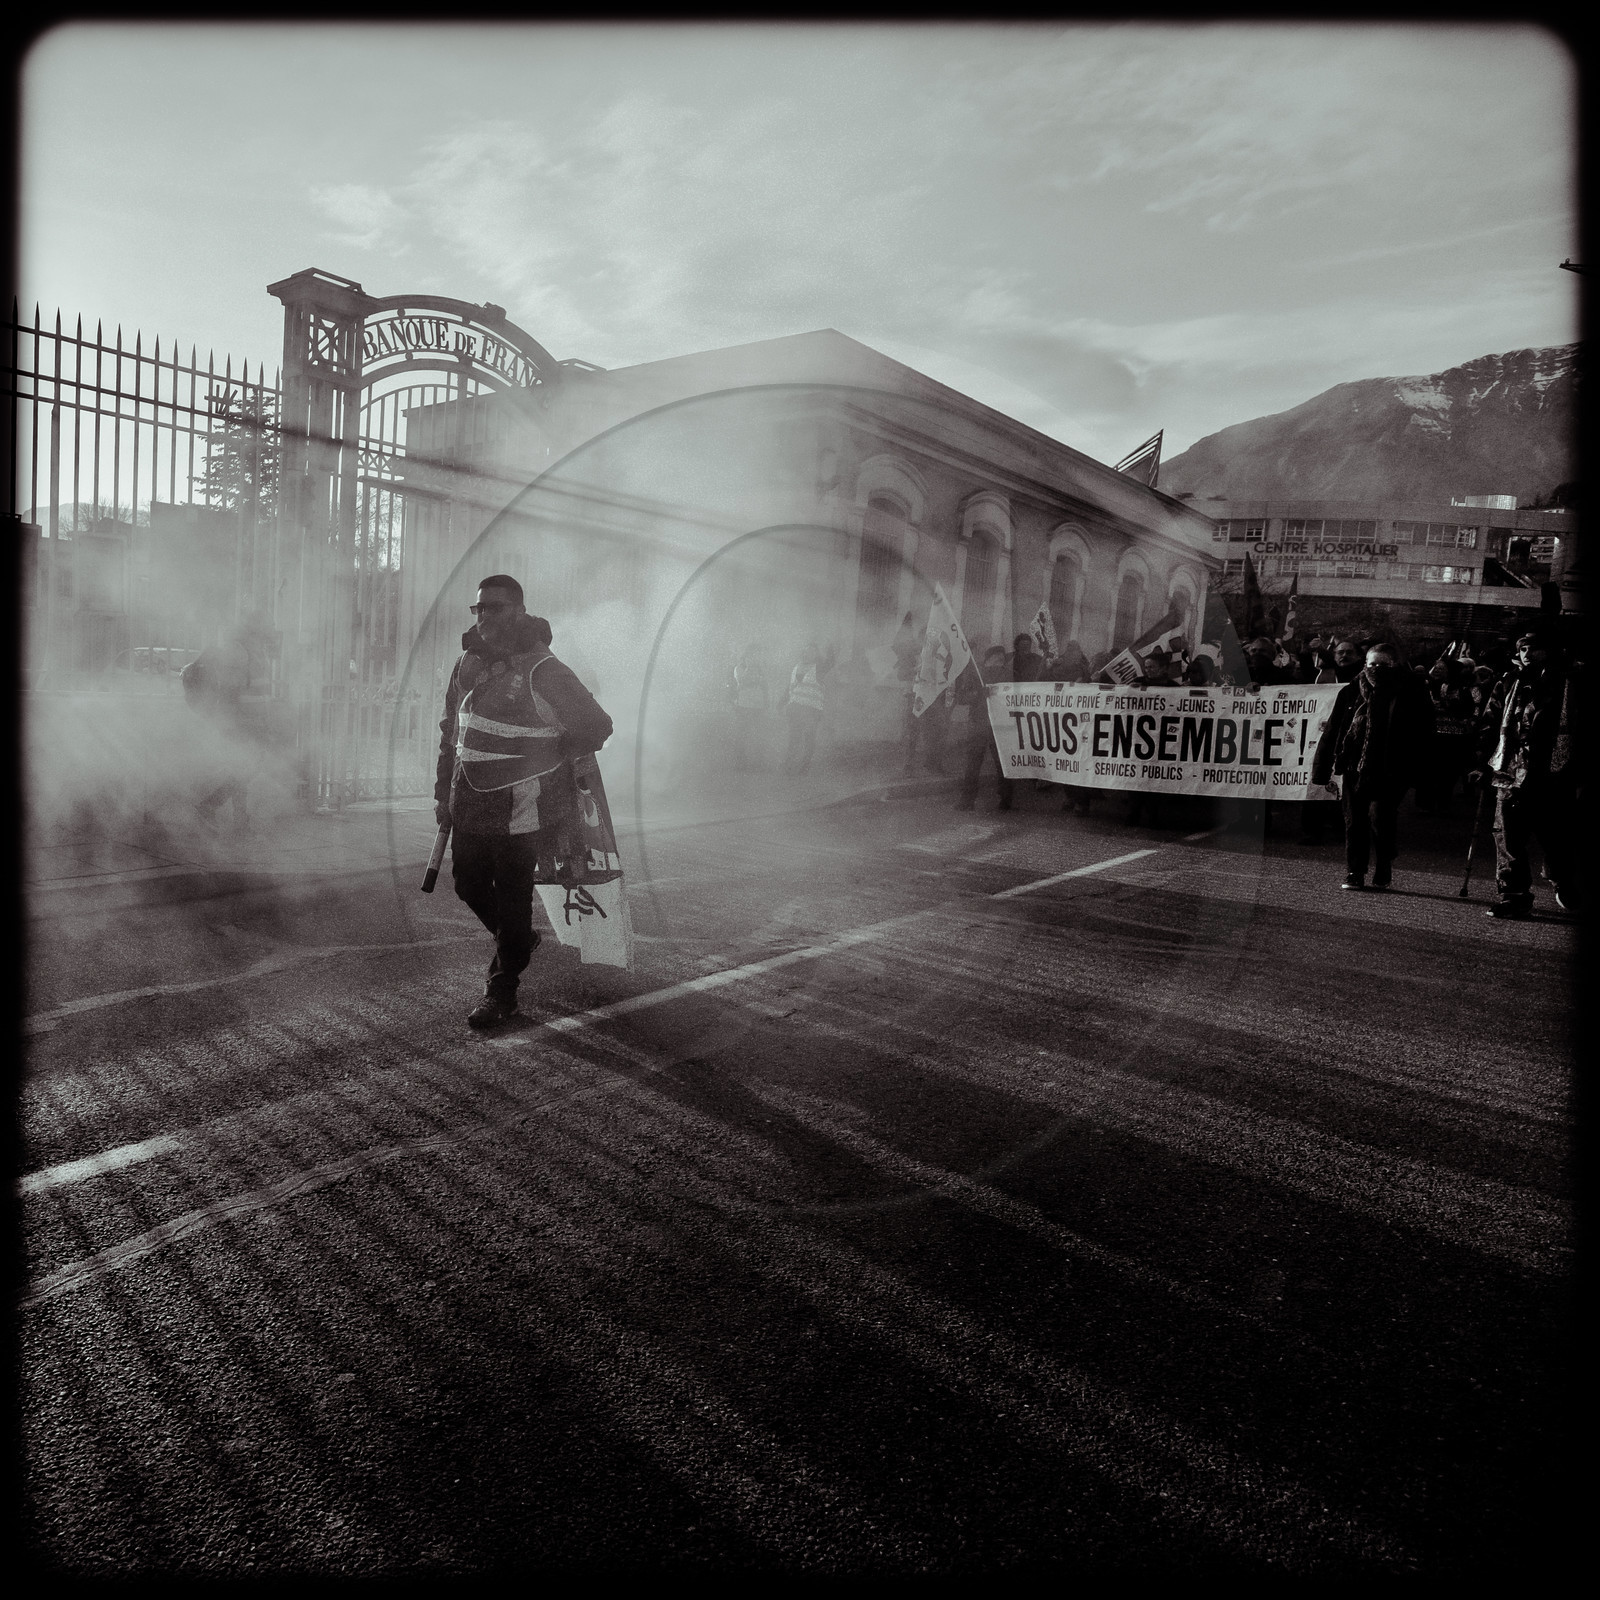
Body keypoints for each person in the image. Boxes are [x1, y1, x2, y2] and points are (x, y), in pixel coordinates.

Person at [435, 575, 614, 1028]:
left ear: (517, 610)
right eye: (479, 610)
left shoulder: (545, 669)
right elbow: (450, 734)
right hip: (468, 803)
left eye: (494, 609)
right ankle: (518, 940)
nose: (484, 618)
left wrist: (551, 756)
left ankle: (502, 993)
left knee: (513, 897)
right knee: (467, 885)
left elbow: (597, 725)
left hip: (524, 808)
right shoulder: (467, 664)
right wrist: (442, 795)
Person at [1471, 627, 1581, 919]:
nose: (1527, 654)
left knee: (1558, 837)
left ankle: (1564, 881)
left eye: (1534, 648)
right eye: (1522, 649)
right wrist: (1481, 763)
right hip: (1511, 774)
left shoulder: (1571, 682)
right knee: (1507, 837)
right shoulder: (1508, 682)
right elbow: (1490, 724)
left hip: (1555, 774)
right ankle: (1514, 896)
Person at [1310, 641, 1435, 891]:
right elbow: (1334, 730)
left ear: (1395, 664)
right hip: (1355, 766)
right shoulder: (1351, 691)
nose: (1376, 669)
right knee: (1354, 820)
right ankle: (1355, 871)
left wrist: (1422, 771)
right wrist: (1321, 768)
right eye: (1372, 664)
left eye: (1383, 664)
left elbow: (1424, 733)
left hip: (1392, 767)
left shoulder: (1411, 690)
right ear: (1364, 665)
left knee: (1380, 818)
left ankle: (1384, 865)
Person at [181, 612, 275, 833]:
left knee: (244, 768)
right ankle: (213, 807)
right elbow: (231, 689)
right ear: (257, 627)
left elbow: (256, 690)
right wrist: (239, 721)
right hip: (242, 721)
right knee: (247, 768)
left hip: (252, 719)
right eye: (269, 624)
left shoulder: (255, 650)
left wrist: (264, 717)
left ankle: (238, 818)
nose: (273, 628)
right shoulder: (239, 651)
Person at [1299, 637, 1363, 845]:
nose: (1344, 656)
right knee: (1317, 783)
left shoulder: (1364, 678)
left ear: (1359, 656)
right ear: (1333, 656)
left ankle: (1343, 826)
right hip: (1320, 738)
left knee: (1347, 786)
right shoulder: (1323, 676)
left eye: (1349, 652)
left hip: (1352, 741)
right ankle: (1311, 830)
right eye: (1340, 652)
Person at [955, 644, 1013, 811]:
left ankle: (1006, 799)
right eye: (996, 658)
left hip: (1000, 725)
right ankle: (967, 800)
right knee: (973, 765)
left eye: (1002, 659)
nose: (1000, 661)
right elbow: (962, 697)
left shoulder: (1008, 675)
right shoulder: (975, 674)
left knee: (1003, 763)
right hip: (978, 725)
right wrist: (978, 694)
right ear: (988, 660)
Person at [783, 640, 836, 776]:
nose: (808, 653)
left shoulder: (819, 668)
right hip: (795, 707)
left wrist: (831, 646)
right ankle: (788, 764)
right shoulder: (796, 667)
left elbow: (830, 662)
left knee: (808, 737)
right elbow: (790, 687)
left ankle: (804, 766)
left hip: (811, 709)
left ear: (816, 655)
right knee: (794, 737)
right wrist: (783, 703)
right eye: (806, 650)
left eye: (812, 651)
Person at [728, 642, 769, 770]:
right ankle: (740, 763)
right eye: (753, 655)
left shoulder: (761, 669)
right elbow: (741, 681)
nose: (756, 657)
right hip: (743, 706)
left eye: (758, 655)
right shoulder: (739, 668)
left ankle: (758, 764)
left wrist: (767, 702)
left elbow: (764, 685)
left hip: (758, 705)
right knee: (742, 735)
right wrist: (750, 669)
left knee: (759, 735)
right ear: (747, 655)